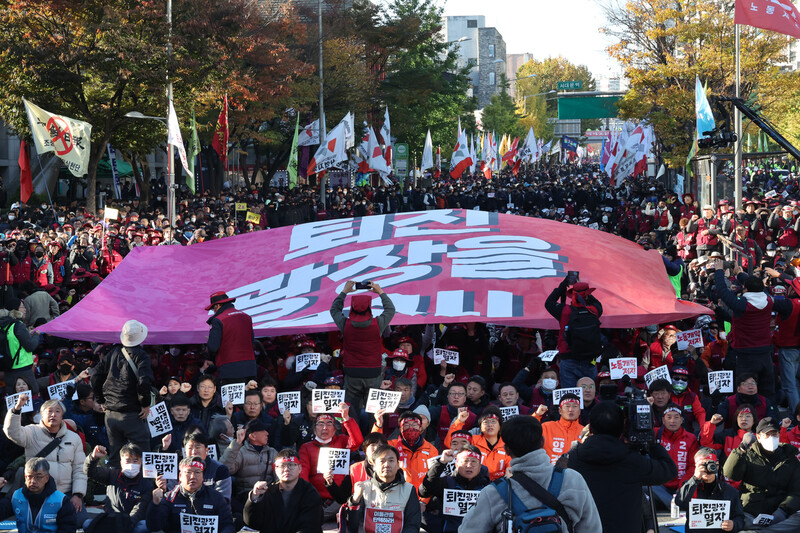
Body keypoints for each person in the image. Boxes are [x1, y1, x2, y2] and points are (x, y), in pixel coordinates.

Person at [458, 415, 601, 533]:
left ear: (507, 450)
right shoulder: (573, 480)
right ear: (542, 442)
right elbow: (593, 529)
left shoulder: (493, 493)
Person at [567, 401, 677, 533]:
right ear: (623, 428)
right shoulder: (632, 460)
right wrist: (651, 443)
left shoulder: (574, 457)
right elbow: (669, 470)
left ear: (590, 428)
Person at [712, 259, 793, 401]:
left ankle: (748, 417)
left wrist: (719, 271)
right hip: (765, 354)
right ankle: (771, 418)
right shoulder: (769, 300)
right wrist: (740, 274)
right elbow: (757, 286)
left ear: (745, 290)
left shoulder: (741, 304)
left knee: (745, 392)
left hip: (745, 355)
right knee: (768, 391)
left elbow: (723, 292)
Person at [4, 396, 88, 524]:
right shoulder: (31, 432)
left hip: (66, 493)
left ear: (62, 416)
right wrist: (17, 409)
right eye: (49, 411)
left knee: (79, 521)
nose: (53, 414)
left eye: (57, 411)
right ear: (41, 415)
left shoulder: (74, 438)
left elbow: (79, 468)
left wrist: (78, 495)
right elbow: (12, 432)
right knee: (40, 523)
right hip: (38, 494)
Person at [90, 319, 153, 463]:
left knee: (115, 457)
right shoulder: (142, 356)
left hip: (111, 414)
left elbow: (94, 376)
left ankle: (114, 485)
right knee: (143, 457)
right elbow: (144, 383)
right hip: (132, 414)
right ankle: (145, 485)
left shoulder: (112, 353)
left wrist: (101, 400)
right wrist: (145, 404)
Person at [722, 417, 800, 531]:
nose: (771, 438)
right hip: (750, 511)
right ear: (758, 437)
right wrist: (741, 449)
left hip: (780, 512)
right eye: (767, 435)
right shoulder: (748, 454)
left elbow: (796, 492)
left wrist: (782, 511)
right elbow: (730, 474)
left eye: (774, 434)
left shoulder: (790, 458)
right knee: (739, 521)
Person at [330, 280, 395, 415]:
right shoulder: (378, 324)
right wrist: (380, 291)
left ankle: (353, 433)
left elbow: (334, 310)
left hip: (352, 372)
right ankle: (373, 434)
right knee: (374, 408)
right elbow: (390, 309)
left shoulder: (345, 324)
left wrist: (344, 292)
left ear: (352, 308)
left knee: (352, 408)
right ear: (369, 308)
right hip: (373, 372)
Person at [298, 404, 364, 520]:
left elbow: (358, 441)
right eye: (321, 424)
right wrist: (308, 496)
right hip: (316, 498)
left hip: (339, 497)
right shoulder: (306, 447)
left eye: (329, 424)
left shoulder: (342, 441)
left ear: (335, 428)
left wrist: (346, 418)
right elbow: (303, 474)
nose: (325, 428)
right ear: (314, 428)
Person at [344, 444, 421, 533]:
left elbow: (413, 525)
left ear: (398, 465)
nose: (387, 465)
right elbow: (352, 526)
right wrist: (355, 500)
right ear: (373, 466)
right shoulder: (363, 488)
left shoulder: (409, 489)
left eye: (391, 460)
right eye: (382, 461)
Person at [146, 456, 234, 533]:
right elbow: (155, 526)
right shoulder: (170, 498)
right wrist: (155, 504)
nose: (192, 476)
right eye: (188, 472)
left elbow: (227, 525)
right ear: (180, 476)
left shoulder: (216, 497)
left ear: (203, 476)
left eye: (197, 472)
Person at [544, 273, 603, 388]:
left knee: (570, 396)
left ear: (573, 295)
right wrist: (585, 293)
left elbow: (549, 303)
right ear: (587, 295)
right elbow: (597, 303)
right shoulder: (595, 310)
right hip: (589, 361)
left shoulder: (565, 311)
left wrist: (563, 285)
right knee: (589, 395)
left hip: (568, 360)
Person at [243, 449, 323, 533]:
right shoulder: (267, 492)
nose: (286, 469)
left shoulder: (310, 493)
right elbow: (252, 523)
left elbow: (309, 527)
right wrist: (254, 498)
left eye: (291, 465)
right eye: (282, 465)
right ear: (275, 469)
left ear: (300, 468)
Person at [419, 444, 491, 533]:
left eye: (474, 461)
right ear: (456, 464)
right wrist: (441, 462)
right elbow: (425, 490)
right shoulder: (447, 482)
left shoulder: (488, 487)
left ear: (480, 466)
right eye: (465, 461)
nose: (469, 465)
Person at [83, 443, 154, 533]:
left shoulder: (146, 484)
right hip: (111, 520)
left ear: (141, 463)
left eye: (135, 461)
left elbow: (138, 511)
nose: (132, 464)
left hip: (130, 524)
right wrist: (93, 458)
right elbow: (90, 472)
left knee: (144, 526)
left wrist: (124, 526)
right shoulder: (112, 474)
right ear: (121, 463)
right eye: (128, 461)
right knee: (87, 523)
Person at [675, 448, 744, 533]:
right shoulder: (690, 486)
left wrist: (733, 524)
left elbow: (740, 518)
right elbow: (679, 502)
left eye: (711, 464)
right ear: (696, 466)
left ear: (717, 466)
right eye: (703, 465)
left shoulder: (730, 491)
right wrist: (695, 478)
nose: (707, 469)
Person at [0, 458, 77, 533]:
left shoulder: (61, 501)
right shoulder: (15, 497)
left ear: (47, 478)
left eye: (38, 477)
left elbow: (68, 528)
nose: (33, 481)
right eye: (29, 477)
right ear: (25, 477)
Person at [221, 420, 278, 504]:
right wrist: (237, 443)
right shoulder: (240, 451)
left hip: (268, 495)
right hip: (245, 497)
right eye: (263, 431)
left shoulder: (272, 452)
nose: (267, 433)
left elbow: (279, 475)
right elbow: (226, 469)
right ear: (253, 436)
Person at [205, 291, 256, 383]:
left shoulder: (218, 320)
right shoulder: (247, 317)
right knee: (248, 395)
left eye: (213, 308)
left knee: (230, 397)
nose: (213, 311)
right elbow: (252, 342)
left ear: (217, 306)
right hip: (250, 367)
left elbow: (213, 347)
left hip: (229, 369)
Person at [0, 294, 41, 394]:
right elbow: (30, 346)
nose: (25, 309)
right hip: (23, 369)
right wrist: (36, 335)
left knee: (13, 399)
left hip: (7, 368)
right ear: (16, 310)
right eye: (22, 306)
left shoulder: (3, 325)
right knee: (32, 396)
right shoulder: (17, 325)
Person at [534, 393, 585, 465]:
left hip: (574, 474)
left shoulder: (584, 431)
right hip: (548, 473)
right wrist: (537, 415)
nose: (571, 409)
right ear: (560, 411)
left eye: (575, 406)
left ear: (579, 411)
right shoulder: (546, 427)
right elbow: (525, 434)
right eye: (567, 406)